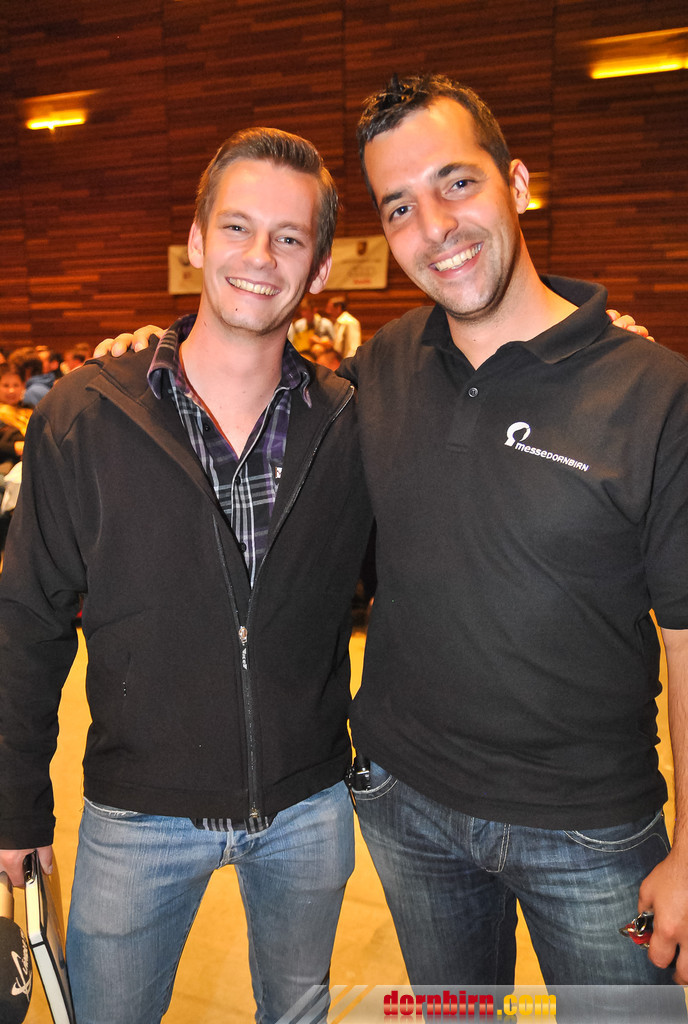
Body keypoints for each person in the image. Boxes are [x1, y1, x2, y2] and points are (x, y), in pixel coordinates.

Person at [0, 127, 371, 1024]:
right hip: (139, 815)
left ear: (320, 268)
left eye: (289, 237)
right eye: (237, 227)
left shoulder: (354, 423)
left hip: (307, 805)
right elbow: (28, 622)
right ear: (197, 241)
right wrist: (14, 806)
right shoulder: (87, 415)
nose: (259, 256)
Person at [340, 73, 688, 1012]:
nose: (435, 227)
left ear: (519, 183)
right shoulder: (379, 367)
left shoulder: (655, 391)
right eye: (399, 206)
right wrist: (154, 348)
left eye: (457, 183)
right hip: (406, 807)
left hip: (594, 834)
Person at [326, 294, 362, 359]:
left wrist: (348, 364)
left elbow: (353, 348)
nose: (328, 311)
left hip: (347, 362)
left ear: (338, 308)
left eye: (330, 308)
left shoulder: (350, 322)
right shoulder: (339, 322)